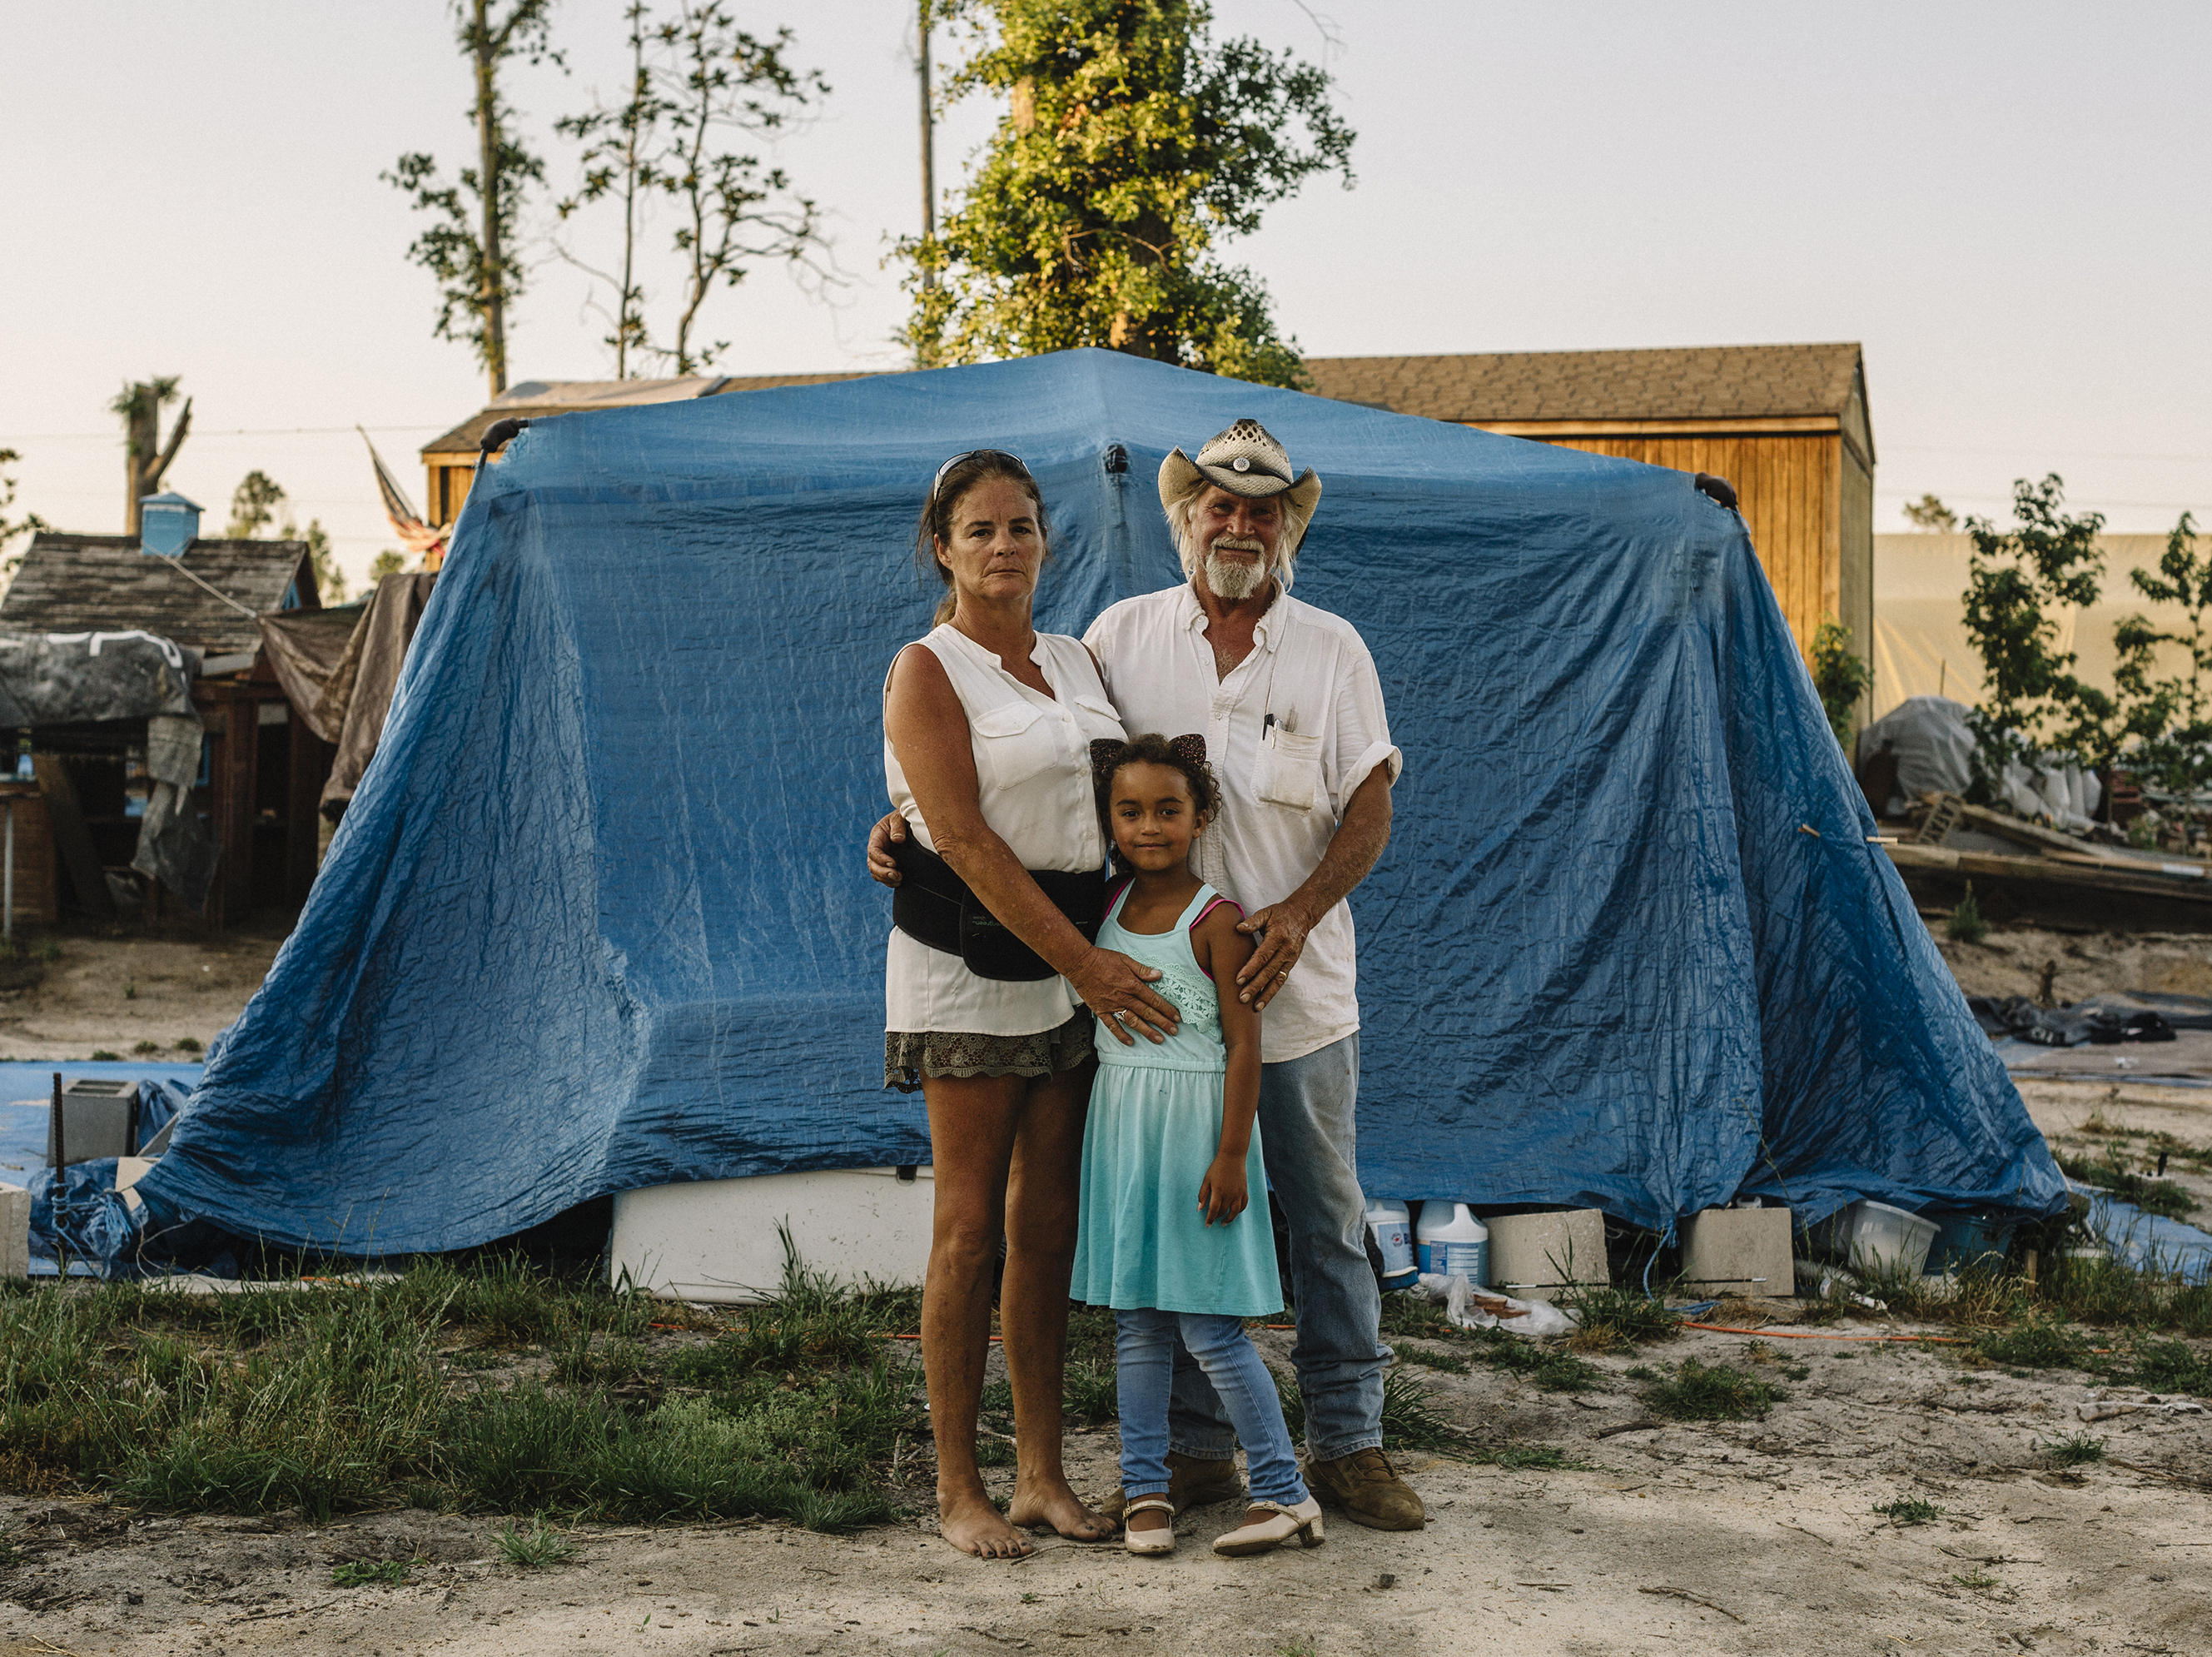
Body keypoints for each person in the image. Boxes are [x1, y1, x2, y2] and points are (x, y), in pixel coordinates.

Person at [873, 420, 1419, 1533]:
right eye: (1218, 502)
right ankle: (1193, 1452)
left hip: (1285, 994)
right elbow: (1004, 790)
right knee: (1166, 1216)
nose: (1237, 522)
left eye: (1261, 506)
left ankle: (1349, 1445)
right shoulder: (1120, 637)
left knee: (1319, 1220)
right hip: (1148, 1009)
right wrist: (907, 820)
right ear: (1186, 518)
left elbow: (1368, 802)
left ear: (1287, 527)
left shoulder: (1326, 650)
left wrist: (1302, 913)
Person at [881, 449, 1188, 1559]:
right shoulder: (928, 667)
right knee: (969, 1226)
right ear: (943, 548)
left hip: (1073, 958)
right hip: (972, 961)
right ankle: (958, 1485)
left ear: (1045, 542)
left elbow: (1110, 794)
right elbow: (957, 834)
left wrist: (1110, 950)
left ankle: (1041, 1473)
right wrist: (1094, 966)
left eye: (1019, 526)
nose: (1002, 546)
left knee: (1047, 1219)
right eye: (979, 530)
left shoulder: (1073, 659)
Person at [1074, 733, 1324, 1560]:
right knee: (1137, 1328)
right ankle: (1146, 1491)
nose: (1148, 826)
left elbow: (1243, 1048)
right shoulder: (1099, 909)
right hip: (1124, 1139)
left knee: (1211, 1333)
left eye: (1167, 810)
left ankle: (1285, 1493)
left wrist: (1229, 1154)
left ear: (1199, 816)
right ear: (1108, 820)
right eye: (1130, 810)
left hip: (1197, 1144)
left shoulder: (1216, 922)